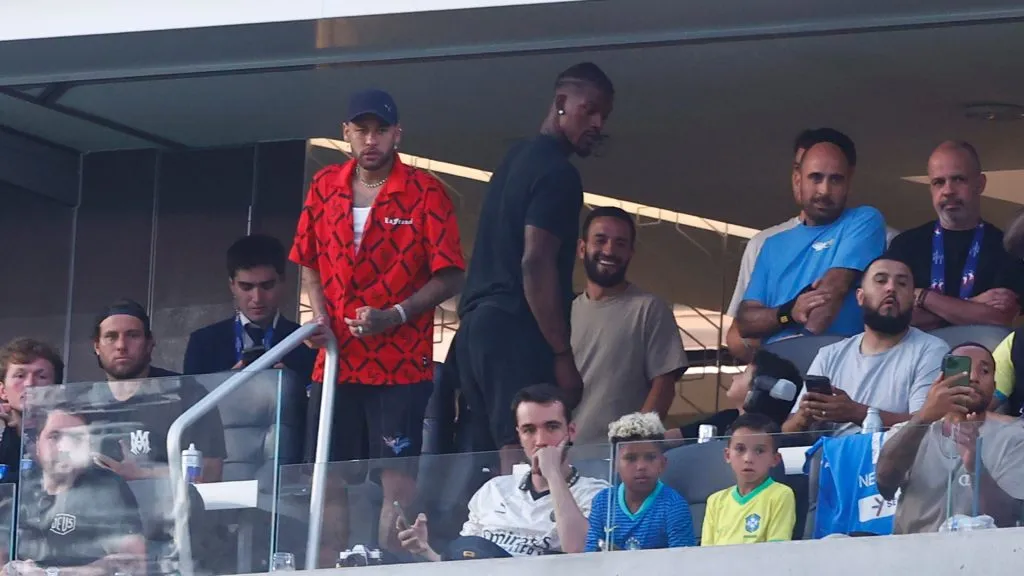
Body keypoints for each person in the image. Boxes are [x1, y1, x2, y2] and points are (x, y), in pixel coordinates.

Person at [290, 88, 466, 554]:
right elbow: (306, 258)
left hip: (400, 362)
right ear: (345, 133)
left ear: (397, 134)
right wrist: (319, 315)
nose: (371, 139)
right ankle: (330, 566)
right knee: (325, 476)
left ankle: (391, 566)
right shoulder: (324, 184)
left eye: (380, 130)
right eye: (361, 129)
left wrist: (397, 315)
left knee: (398, 482)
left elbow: (450, 275)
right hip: (336, 359)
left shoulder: (426, 191)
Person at [450, 63, 614, 463]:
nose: (597, 122)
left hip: (474, 329)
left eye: (603, 115)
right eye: (589, 110)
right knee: (524, 450)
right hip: (513, 328)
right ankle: (520, 528)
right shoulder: (559, 174)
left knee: (481, 457)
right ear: (560, 103)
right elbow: (536, 263)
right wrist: (562, 353)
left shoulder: (513, 159)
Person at [397, 385, 607, 561]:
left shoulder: (597, 494)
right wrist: (427, 551)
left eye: (551, 427)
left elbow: (580, 552)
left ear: (570, 431)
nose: (541, 440)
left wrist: (553, 475)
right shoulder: (495, 489)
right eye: (529, 430)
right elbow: (463, 561)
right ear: (519, 435)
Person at [736, 128, 887, 345]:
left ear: (849, 183)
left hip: (834, 371)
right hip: (776, 370)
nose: (824, 190)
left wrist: (795, 352)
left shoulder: (864, 220)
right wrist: (789, 312)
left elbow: (831, 293)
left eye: (835, 180)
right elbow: (745, 322)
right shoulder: (772, 245)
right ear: (798, 181)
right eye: (815, 178)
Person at [783, 258, 949, 435]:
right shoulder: (829, 355)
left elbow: (926, 425)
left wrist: (855, 412)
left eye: (901, 283)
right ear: (860, 297)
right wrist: (804, 417)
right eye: (880, 281)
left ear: (912, 299)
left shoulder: (931, 350)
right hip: (827, 457)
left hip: (893, 459)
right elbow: (786, 432)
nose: (891, 288)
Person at [876, 342, 1024, 533]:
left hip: (984, 555)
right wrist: (923, 416)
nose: (973, 377)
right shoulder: (909, 432)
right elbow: (885, 485)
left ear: (994, 386)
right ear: (941, 380)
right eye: (962, 369)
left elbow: (1011, 520)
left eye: (984, 371)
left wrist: (975, 467)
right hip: (913, 553)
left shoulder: (1015, 435)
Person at [570, 206, 688, 445]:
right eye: (600, 240)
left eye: (620, 243)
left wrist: (634, 446)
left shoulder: (649, 309)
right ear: (582, 248)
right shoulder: (564, 313)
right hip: (567, 462)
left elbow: (664, 387)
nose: (609, 250)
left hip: (622, 464)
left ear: (631, 253)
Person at [886, 141, 1024, 329]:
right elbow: (895, 316)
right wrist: (973, 306)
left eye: (958, 179)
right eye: (938, 182)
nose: (948, 191)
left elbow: (999, 317)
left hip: (982, 356)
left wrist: (923, 296)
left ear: (980, 184)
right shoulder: (905, 245)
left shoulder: (1006, 247)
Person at [88, 299, 226, 483]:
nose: (121, 345)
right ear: (97, 346)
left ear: (150, 343)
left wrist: (142, 475)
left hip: (169, 508)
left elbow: (210, 472)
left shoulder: (186, 392)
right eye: (111, 336)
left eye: (132, 335)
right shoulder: (83, 404)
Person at [10, 407, 145, 575]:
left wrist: (55, 574)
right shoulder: (19, 487)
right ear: (37, 445)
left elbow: (132, 560)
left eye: (75, 437)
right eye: (54, 437)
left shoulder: (106, 487)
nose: (64, 447)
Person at [183, 234, 316, 380]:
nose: (257, 298)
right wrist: (222, 384)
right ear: (232, 285)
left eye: (267, 286)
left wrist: (293, 386)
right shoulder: (203, 343)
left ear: (282, 281)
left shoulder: (308, 343)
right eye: (246, 287)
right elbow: (190, 400)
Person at [584, 412, 694, 551]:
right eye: (630, 458)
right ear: (615, 464)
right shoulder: (602, 502)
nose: (641, 466)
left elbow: (683, 563)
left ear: (663, 463)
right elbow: (591, 556)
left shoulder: (674, 505)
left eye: (650, 457)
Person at [701, 413, 796, 546]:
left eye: (759, 451)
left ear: (775, 459)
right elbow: (705, 554)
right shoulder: (715, 501)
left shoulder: (781, 495)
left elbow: (776, 551)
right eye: (740, 449)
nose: (748, 459)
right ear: (727, 455)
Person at [669, 349, 803, 440]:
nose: (734, 377)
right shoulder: (726, 418)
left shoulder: (769, 432)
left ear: (760, 386)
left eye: (743, 373)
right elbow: (674, 437)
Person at [0, 338, 64, 486]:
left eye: (41, 376)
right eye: (20, 376)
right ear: (2, 391)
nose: (29, 384)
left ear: (55, 390)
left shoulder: (71, 438)